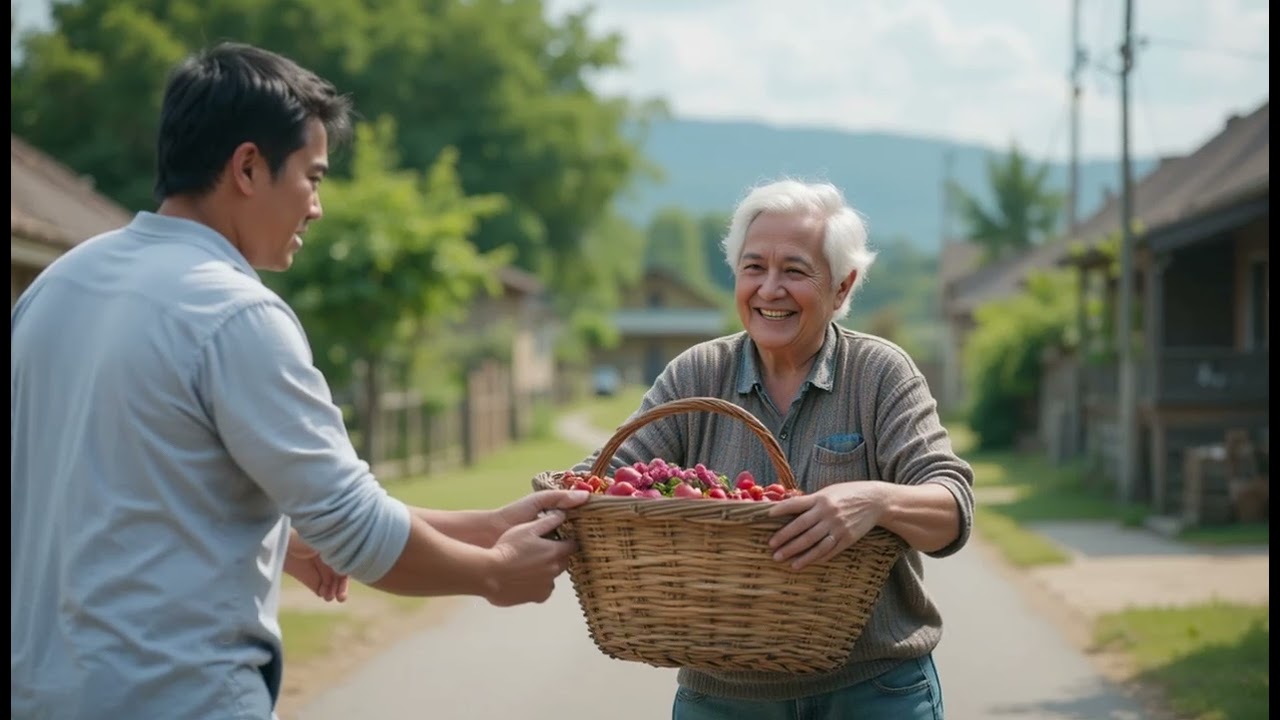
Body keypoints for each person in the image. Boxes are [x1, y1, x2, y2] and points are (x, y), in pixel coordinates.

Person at [10, 42, 586, 720]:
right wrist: (491, 574)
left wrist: (486, 527)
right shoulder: (232, 311)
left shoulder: (56, 287)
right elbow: (354, 526)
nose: (316, 207)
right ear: (248, 167)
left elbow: (123, 495)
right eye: (312, 177)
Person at [560, 179, 974, 719]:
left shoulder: (879, 374)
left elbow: (951, 508)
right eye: (754, 267)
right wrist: (536, 516)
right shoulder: (697, 374)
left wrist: (874, 501)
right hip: (722, 699)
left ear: (841, 288)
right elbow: (604, 476)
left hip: (872, 691)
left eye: (795, 271)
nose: (770, 289)